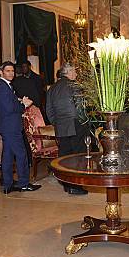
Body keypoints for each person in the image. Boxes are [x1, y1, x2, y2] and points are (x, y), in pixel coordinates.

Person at [0, 61, 41, 194]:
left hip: (8, 126)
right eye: (8, 71)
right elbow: (9, 108)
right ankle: (24, 183)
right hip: (11, 127)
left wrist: (19, 100)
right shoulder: (2, 86)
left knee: (8, 156)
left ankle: (8, 184)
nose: (11, 73)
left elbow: (8, 103)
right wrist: (24, 105)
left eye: (12, 71)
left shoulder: (5, 85)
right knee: (21, 154)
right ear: (1, 72)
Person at [46, 63, 88, 195]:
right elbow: (81, 108)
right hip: (76, 125)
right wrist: (85, 123)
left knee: (64, 156)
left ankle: (66, 184)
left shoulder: (52, 89)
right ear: (68, 72)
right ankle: (77, 186)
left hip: (61, 126)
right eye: (74, 72)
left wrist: (57, 123)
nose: (76, 74)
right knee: (78, 156)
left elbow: (49, 111)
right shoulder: (75, 86)